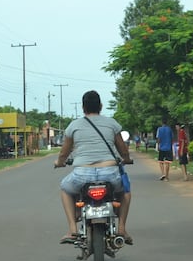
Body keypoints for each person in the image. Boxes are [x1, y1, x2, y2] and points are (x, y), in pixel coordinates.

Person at [54, 90, 133, 245]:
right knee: (125, 191)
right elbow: (123, 149)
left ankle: (72, 229)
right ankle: (122, 228)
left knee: (65, 189)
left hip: (82, 175)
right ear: (101, 106)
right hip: (109, 173)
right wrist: (127, 159)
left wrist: (59, 162)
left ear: (83, 108)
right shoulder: (112, 123)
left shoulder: (74, 126)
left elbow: (64, 152)